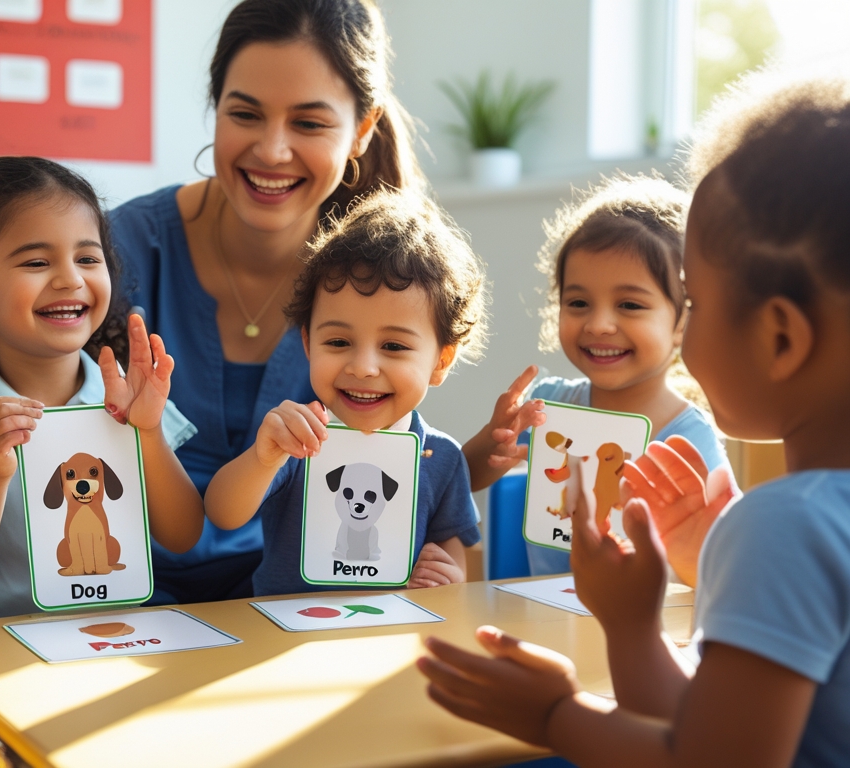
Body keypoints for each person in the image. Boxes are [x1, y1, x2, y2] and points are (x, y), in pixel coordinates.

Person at [418, 72, 850, 766]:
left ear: (779, 339)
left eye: (698, 304)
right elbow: (723, 725)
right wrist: (633, 626)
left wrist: (556, 716)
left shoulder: (784, 527)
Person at [110, 0, 423, 603]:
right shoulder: (118, 250)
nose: (272, 151)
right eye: (245, 114)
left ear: (362, 129)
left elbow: (408, 448)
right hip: (117, 593)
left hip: (300, 596)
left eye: (308, 123)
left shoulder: (394, 274)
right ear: (215, 108)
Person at [0, 156, 204, 623]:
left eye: (88, 258)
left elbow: (183, 535)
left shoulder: (132, 396)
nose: (70, 279)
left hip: (117, 632)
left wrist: (146, 434)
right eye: (37, 261)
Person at [205, 188, 486, 594]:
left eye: (393, 347)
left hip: (388, 637)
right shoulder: (297, 438)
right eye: (338, 342)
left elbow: (452, 551)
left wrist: (448, 577)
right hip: (284, 636)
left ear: (441, 361)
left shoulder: (441, 458)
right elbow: (222, 513)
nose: (363, 368)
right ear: (307, 343)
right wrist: (262, 459)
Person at [460, 175, 729, 577]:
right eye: (579, 302)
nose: (599, 324)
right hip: (545, 620)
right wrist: (494, 437)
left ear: (683, 322)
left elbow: (716, 567)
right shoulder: (548, 403)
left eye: (630, 305)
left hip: (640, 626)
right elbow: (464, 481)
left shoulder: (690, 440)